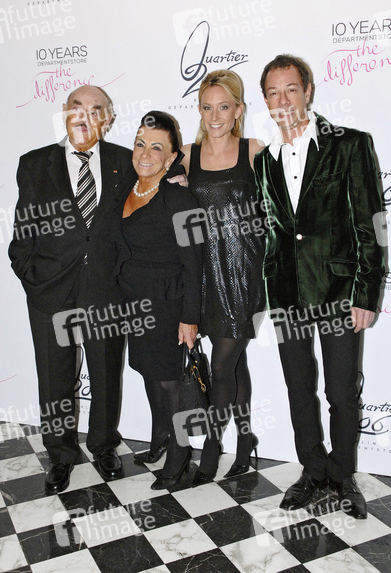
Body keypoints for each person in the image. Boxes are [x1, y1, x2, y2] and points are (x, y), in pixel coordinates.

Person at [254, 54, 385, 519]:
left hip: (338, 291)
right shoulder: (264, 160)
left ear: (307, 91)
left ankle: (342, 473)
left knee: (342, 393)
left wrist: (366, 293)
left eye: (291, 89)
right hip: (286, 292)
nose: (283, 100)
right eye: (273, 92)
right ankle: (312, 470)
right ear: (265, 100)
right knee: (298, 388)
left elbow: (371, 223)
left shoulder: (349, 144)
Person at [8, 85, 135, 494]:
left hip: (106, 288)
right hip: (50, 288)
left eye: (96, 110)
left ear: (107, 119)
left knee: (106, 372)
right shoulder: (34, 164)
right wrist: (32, 276)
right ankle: (61, 454)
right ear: (64, 113)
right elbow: (23, 231)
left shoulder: (125, 162)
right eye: (77, 107)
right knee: (54, 376)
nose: (85, 116)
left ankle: (103, 446)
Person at [180, 69, 266, 485]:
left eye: (224, 107)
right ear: (199, 110)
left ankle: (212, 449)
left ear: (238, 110)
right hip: (202, 276)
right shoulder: (186, 155)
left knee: (222, 364)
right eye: (207, 107)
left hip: (244, 274)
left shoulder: (255, 151)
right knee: (234, 364)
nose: (215, 116)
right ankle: (246, 440)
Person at [115, 111, 202, 490]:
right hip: (133, 304)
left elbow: (195, 265)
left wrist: (190, 317)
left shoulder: (181, 199)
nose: (145, 153)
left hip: (168, 304)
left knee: (169, 383)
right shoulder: (123, 190)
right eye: (140, 144)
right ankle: (160, 437)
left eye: (156, 147)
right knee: (149, 374)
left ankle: (180, 456)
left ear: (170, 158)